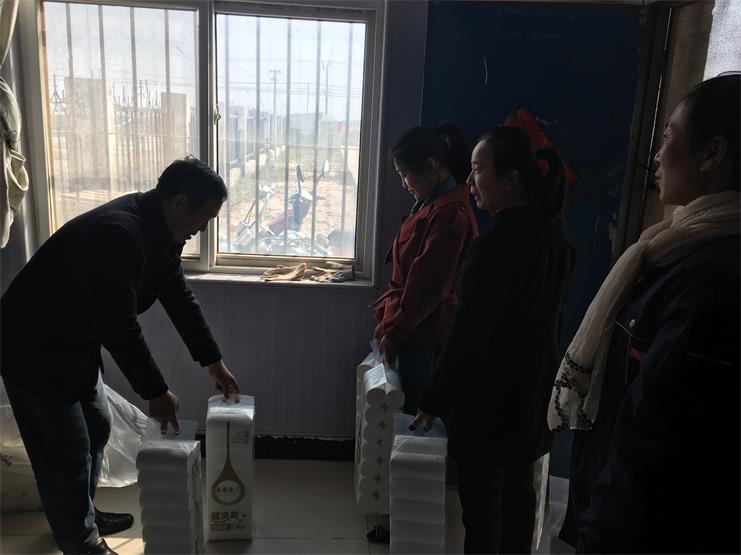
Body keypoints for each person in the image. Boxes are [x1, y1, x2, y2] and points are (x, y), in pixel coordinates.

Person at [1, 157, 241, 555]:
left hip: (74, 341)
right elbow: (120, 327)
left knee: (97, 426)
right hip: (33, 347)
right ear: (180, 202)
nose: (204, 228)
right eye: (206, 217)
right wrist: (156, 392)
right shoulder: (119, 234)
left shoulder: (161, 230)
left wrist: (214, 363)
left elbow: (179, 298)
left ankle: (80, 514)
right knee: (66, 449)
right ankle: (80, 541)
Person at [549, 74, 740, 554]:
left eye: (670, 135)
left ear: (712, 154)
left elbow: (654, 438)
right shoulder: (670, 249)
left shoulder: (714, 279)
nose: (656, 155)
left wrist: (598, 535)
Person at [411, 126, 575, 554]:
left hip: (488, 405)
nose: (470, 181)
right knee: (519, 501)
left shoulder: (494, 247)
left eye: (478, 170)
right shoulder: (557, 241)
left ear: (511, 179)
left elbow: (466, 334)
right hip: (532, 399)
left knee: (482, 513)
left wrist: (433, 398)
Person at [370, 124, 478, 415]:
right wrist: (391, 323)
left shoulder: (449, 214)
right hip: (411, 325)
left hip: (425, 332)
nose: (404, 184)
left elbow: (427, 287)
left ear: (431, 167)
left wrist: (396, 331)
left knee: (414, 417)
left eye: (405, 174)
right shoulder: (430, 205)